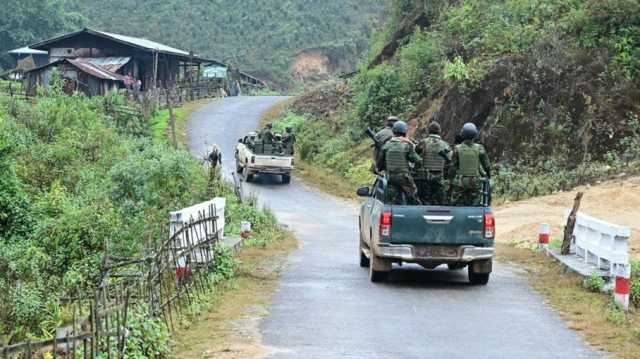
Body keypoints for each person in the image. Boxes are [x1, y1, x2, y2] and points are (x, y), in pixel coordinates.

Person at [377, 121, 422, 205]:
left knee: (390, 200)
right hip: (404, 178)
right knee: (413, 196)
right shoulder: (407, 145)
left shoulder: (386, 145)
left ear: (393, 132)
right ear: (404, 132)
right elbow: (417, 160)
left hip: (390, 177)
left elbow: (379, 164)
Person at [449, 122, 491, 206]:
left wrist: (450, 179)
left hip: (460, 182)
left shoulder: (457, 149)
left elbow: (453, 167)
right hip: (475, 182)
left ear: (462, 134)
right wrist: (488, 176)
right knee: (475, 204)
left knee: (456, 205)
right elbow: (487, 166)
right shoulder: (480, 148)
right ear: (475, 134)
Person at [415, 121, 451, 205]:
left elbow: (415, 154)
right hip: (439, 178)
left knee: (424, 200)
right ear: (439, 131)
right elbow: (449, 161)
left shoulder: (423, 142)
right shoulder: (445, 145)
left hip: (424, 177)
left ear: (428, 131)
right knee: (438, 201)